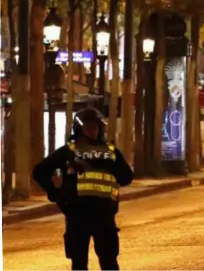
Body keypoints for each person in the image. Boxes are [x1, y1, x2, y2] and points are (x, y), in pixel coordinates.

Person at [33, 108, 134, 271]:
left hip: (103, 215)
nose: (92, 131)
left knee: (108, 262)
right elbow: (40, 171)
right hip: (77, 214)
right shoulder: (69, 152)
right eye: (88, 127)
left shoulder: (111, 152)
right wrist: (54, 193)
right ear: (79, 129)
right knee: (79, 264)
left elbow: (126, 177)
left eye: (95, 127)